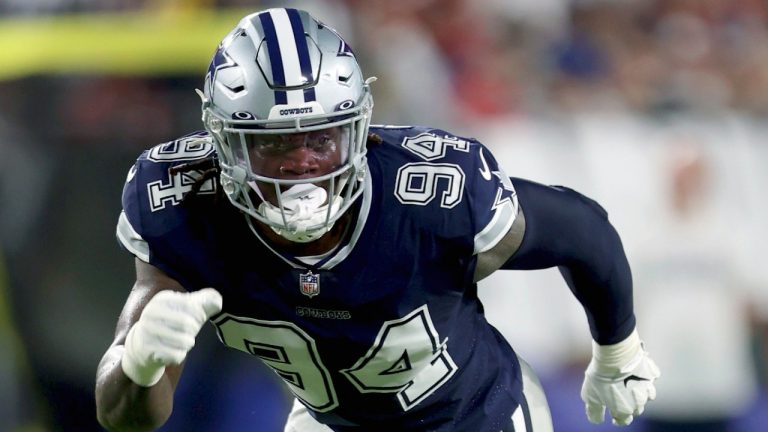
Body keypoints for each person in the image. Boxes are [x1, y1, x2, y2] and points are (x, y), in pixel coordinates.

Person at [95, 8, 660, 431]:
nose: (303, 168)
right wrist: (141, 362)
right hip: (332, 423)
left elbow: (583, 230)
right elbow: (124, 417)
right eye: (275, 145)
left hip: (470, 417)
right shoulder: (180, 206)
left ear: (360, 129)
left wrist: (618, 351)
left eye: (321, 139)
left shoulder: (429, 194)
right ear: (224, 142)